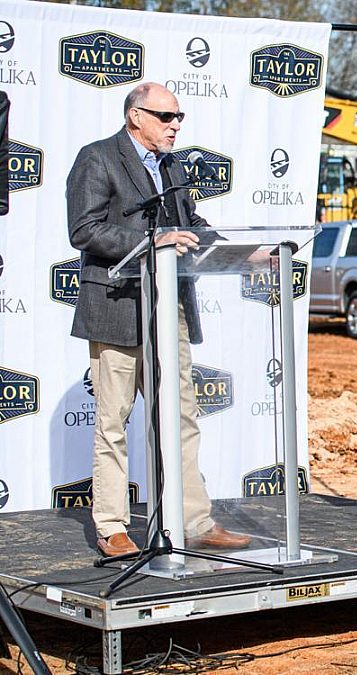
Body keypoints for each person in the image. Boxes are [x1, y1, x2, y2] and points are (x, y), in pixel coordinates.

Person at [67, 82, 251, 557]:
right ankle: (111, 525)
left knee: (182, 418)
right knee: (113, 421)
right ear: (135, 117)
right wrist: (154, 240)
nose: (175, 126)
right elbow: (84, 230)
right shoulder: (98, 157)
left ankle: (193, 521)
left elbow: (191, 224)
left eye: (179, 118)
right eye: (167, 117)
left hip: (169, 308)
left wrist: (249, 253)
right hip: (117, 307)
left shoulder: (174, 165)